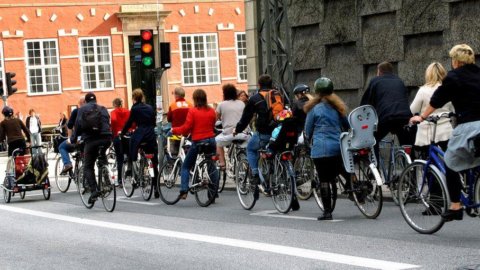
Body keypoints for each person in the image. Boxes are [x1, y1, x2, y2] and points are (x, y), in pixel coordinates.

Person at [410, 44, 480, 222]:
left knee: (450, 162)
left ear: (455, 61)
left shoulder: (454, 77)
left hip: (469, 126)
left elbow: (438, 98)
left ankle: (455, 206)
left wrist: (422, 117)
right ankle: (473, 194)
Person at [234, 74, 300, 211]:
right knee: (277, 155)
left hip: (264, 134)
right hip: (281, 132)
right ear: (271, 84)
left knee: (251, 149)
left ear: (259, 85)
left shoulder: (255, 98)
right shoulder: (279, 95)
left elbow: (246, 118)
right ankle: (291, 195)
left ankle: (255, 175)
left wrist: (237, 130)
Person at [304, 77, 349, 221]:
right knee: (340, 167)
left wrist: (307, 144)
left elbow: (308, 131)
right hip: (338, 146)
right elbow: (346, 124)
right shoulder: (337, 107)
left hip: (321, 148)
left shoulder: (314, 109)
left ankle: (327, 212)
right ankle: (351, 183)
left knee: (324, 179)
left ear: (316, 92)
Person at [172, 89, 218, 200]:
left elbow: (186, 128)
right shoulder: (211, 110)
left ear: (195, 99)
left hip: (198, 141)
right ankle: (214, 192)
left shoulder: (193, 111)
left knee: (186, 166)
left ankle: (184, 191)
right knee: (212, 166)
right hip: (211, 140)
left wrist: (175, 130)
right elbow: (213, 123)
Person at [361, 61, 413, 157]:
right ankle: (411, 167)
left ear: (379, 72)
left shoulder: (375, 81)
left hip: (386, 117)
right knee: (405, 143)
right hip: (404, 117)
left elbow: (366, 103)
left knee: (373, 140)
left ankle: (375, 169)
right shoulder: (399, 81)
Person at [72, 92, 112, 203]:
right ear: (95, 99)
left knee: (88, 166)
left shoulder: (82, 109)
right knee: (102, 155)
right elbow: (108, 122)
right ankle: (107, 179)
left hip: (91, 140)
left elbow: (78, 126)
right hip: (106, 138)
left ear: (86, 101)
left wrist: (73, 139)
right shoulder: (103, 108)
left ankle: (94, 191)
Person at [121, 88, 159, 199]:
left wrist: (122, 133)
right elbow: (153, 122)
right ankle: (156, 187)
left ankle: (131, 167)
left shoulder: (135, 108)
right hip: (150, 135)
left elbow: (129, 122)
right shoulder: (150, 107)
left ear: (134, 98)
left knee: (131, 147)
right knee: (153, 160)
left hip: (140, 134)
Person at [410, 62, 454, 157]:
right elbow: (453, 109)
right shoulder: (448, 89)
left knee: (428, 162)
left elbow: (413, 110)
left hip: (427, 134)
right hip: (446, 131)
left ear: (428, 74)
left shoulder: (423, 90)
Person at [215, 83, 249, 170]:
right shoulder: (241, 103)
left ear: (225, 94)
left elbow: (215, 119)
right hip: (243, 133)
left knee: (217, 142)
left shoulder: (221, 105)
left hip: (229, 134)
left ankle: (222, 164)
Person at [59, 96, 85, 174]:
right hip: (90, 139)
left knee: (62, 147)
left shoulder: (76, 111)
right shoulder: (93, 110)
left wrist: (70, 139)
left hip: (78, 139)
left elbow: (69, 126)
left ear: (81, 103)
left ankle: (67, 164)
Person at [110, 98, 131, 187]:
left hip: (117, 136)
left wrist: (114, 131)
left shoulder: (113, 112)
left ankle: (120, 180)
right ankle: (132, 174)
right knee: (130, 155)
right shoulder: (127, 111)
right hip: (127, 135)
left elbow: (114, 120)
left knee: (119, 159)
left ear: (115, 104)